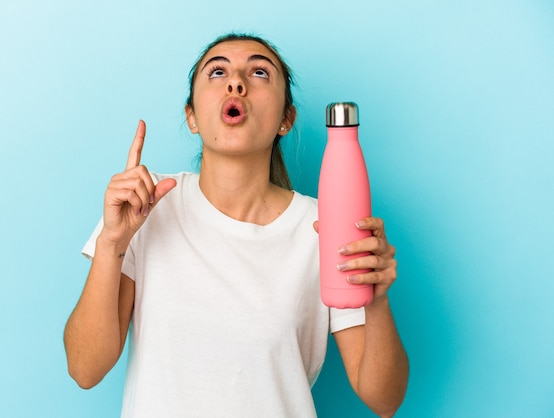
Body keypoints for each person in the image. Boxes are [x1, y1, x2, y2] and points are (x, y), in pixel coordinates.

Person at [64, 33, 409, 417]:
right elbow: (84, 369)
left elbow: (384, 399)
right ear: (191, 117)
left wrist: (376, 301)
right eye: (217, 71)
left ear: (286, 119)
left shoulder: (322, 227)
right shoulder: (147, 207)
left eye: (259, 71)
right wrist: (113, 242)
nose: (236, 83)